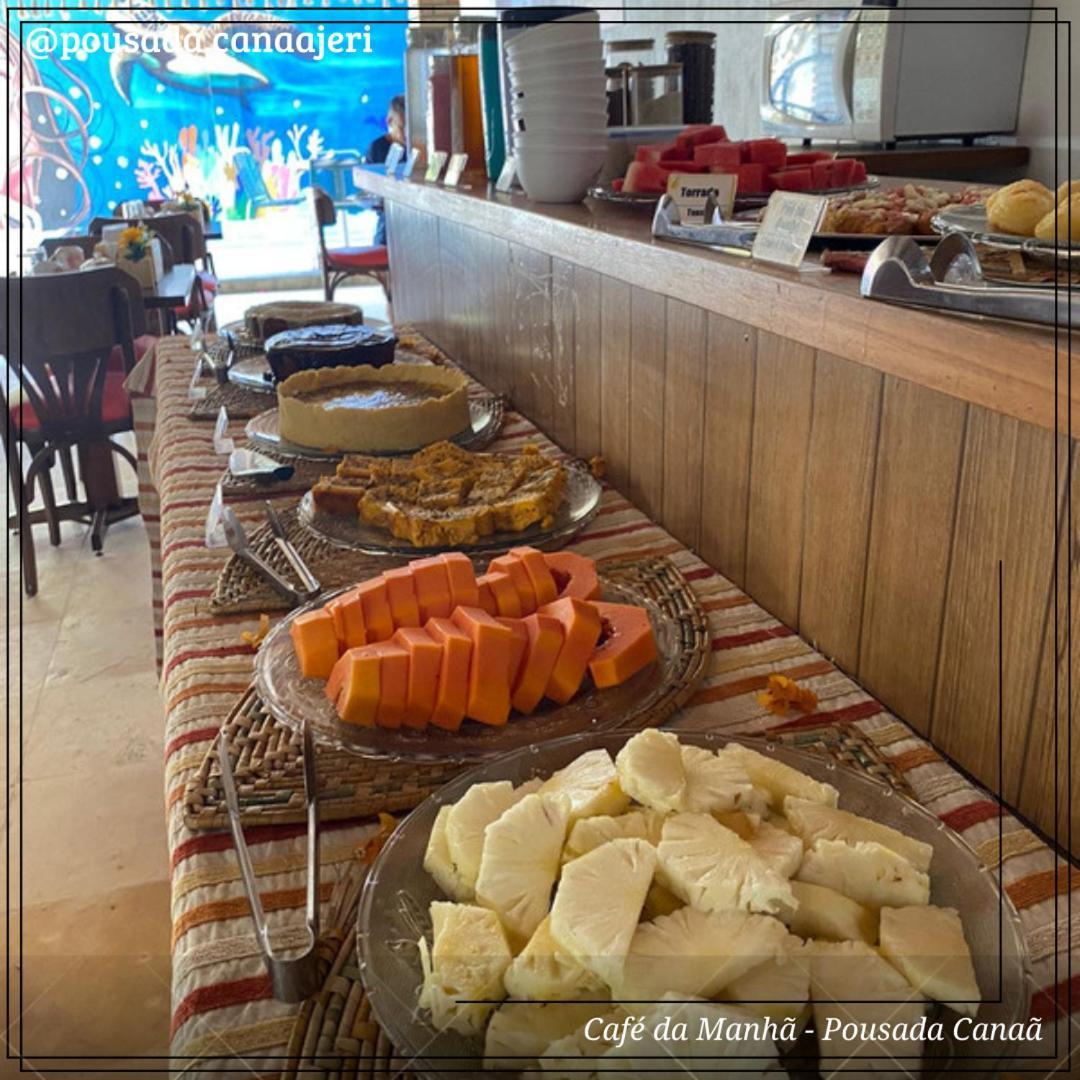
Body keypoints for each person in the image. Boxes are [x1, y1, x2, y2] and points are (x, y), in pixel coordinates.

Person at [365, 95, 405, 246]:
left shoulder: (418, 147)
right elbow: (370, 192)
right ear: (390, 122)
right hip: (388, 223)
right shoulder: (377, 148)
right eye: (402, 127)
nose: (407, 134)